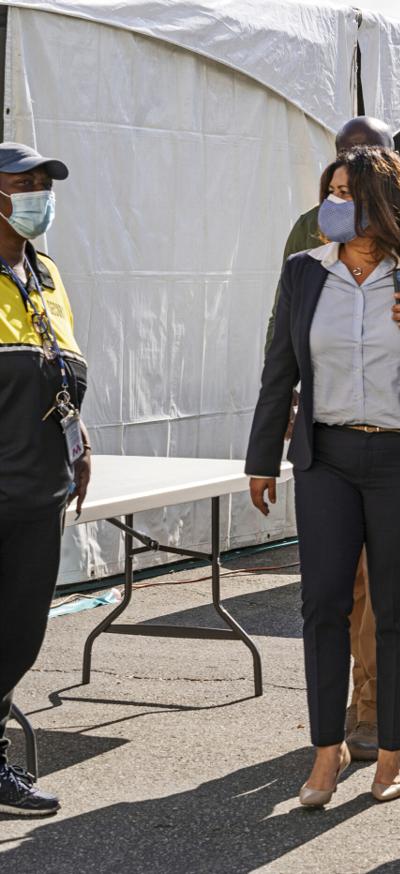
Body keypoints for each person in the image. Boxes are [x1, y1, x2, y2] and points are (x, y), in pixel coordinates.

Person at [245, 146, 400, 806]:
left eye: (345, 192)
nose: (332, 203)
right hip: (324, 458)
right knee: (321, 604)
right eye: (329, 190)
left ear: (379, 203)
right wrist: (261, 457)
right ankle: (325, 754)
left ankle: (390, 754)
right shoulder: (305, 273)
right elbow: (280, 368)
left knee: (395, 607)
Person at [0, 143, 90, 816]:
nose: (37, 194)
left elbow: (60, 367)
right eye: (22, 184)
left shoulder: (45, 272)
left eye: (41, 184)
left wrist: (79, 440)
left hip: (40, 488)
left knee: (19, 634)